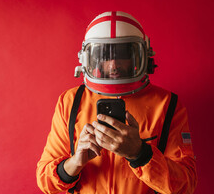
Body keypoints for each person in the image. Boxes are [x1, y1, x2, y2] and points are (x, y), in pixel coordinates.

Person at [36, 11, 197, 194]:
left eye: (122, 54)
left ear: (142, 55)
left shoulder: (167, 104)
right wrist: (76, 162)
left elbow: (186, 184)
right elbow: (45, 182)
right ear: (88, 58)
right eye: (105, 56)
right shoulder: (71, 102)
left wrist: (139, 153)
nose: (113, 65)